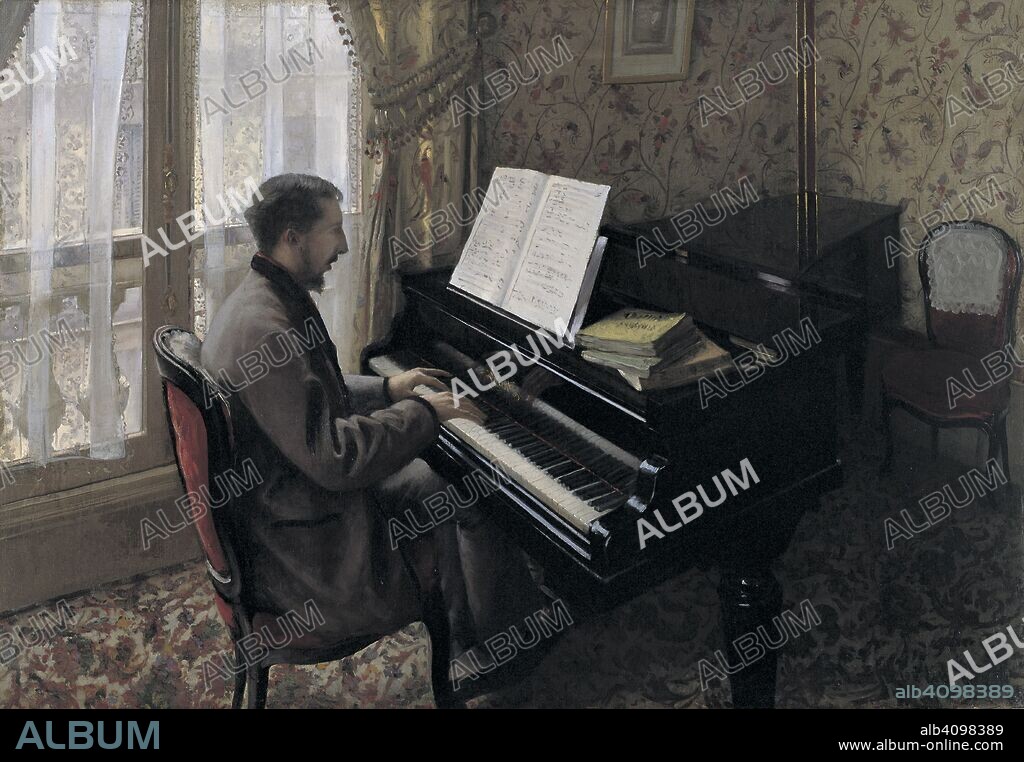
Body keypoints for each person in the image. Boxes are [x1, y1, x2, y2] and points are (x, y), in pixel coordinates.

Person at [200, 173, 555, 701]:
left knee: (443, 484)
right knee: (467, 486)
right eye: (333, 231)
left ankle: (481, 635)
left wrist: (388, 387)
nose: (344, 244)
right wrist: (424, 413)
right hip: (302, 547)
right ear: (293, 237)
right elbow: (336, 458)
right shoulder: (266, 326)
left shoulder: (265, 298)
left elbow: (310, 392)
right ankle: (508, 641)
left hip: (287, 502)